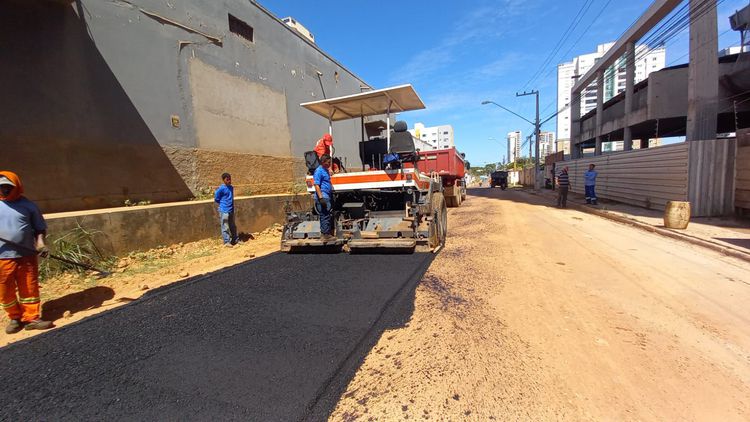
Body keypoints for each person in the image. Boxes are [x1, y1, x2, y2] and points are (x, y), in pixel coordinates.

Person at [0, 171, 53, 333]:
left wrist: (41, 245)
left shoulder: (28, 206)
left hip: (26, 255)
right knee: (4, 288)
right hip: (2, 257)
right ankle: (15, 318)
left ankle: (32, 318)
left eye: (8, 187)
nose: (4, 190)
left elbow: (39, 228)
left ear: (17, 187)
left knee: (29, 287)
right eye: (1, 187)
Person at [313, 154, 335, 242]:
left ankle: (327, 233)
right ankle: (325, 235)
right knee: (325, 215)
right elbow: (317, 185)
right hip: (323, 196)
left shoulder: (325, 170)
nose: (329, 164)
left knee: (327, 215)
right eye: (328, 162)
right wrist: (321, 198)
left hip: (327, 195)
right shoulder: (318, 171)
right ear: (323, 162)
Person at [214, 173, 239, 247]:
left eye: (230, 179)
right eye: (227, 179)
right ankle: (226, 242)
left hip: (231, 209)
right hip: (224, 210)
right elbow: (216, 198)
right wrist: (223, 205)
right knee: (225, 226)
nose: (229, 180)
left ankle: (235, 240)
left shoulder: (231, 187)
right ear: (224, 180)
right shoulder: (221, 188)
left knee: (233, 226)